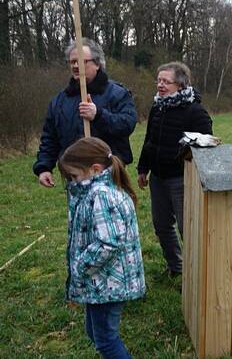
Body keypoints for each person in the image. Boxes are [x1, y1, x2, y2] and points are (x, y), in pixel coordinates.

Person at [58, 137, 145, 359]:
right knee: (95, 333)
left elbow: (109, 243)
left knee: (106, 341)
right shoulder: (98, 189)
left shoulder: (102, 195)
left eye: (74, 176)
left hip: (108, 284)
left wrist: (79, 265)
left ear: (95, 169)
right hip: (100, 282)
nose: (72, 182)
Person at [137, 62, 212, 278]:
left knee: (187, 229)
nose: (160, 85)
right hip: (158, 178)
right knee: (161, 225)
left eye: (165, 81)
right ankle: (176, 267)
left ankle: (197, 272)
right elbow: (149, 140)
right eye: (158, 80)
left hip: (182, 180)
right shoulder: (157, 107)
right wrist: (143, 168)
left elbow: (206, 146)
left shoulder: (195, 111)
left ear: (180, 85)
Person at [33, 38, 137, 188]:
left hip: (109, 175)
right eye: (72, 62)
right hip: (75, 176)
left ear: (97, 64)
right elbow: (50, 137)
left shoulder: (117, 94)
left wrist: (98, 115)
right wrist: (44, 167)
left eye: (81, 62)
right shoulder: (60, 101)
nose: (76, 66)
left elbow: (128, 123)